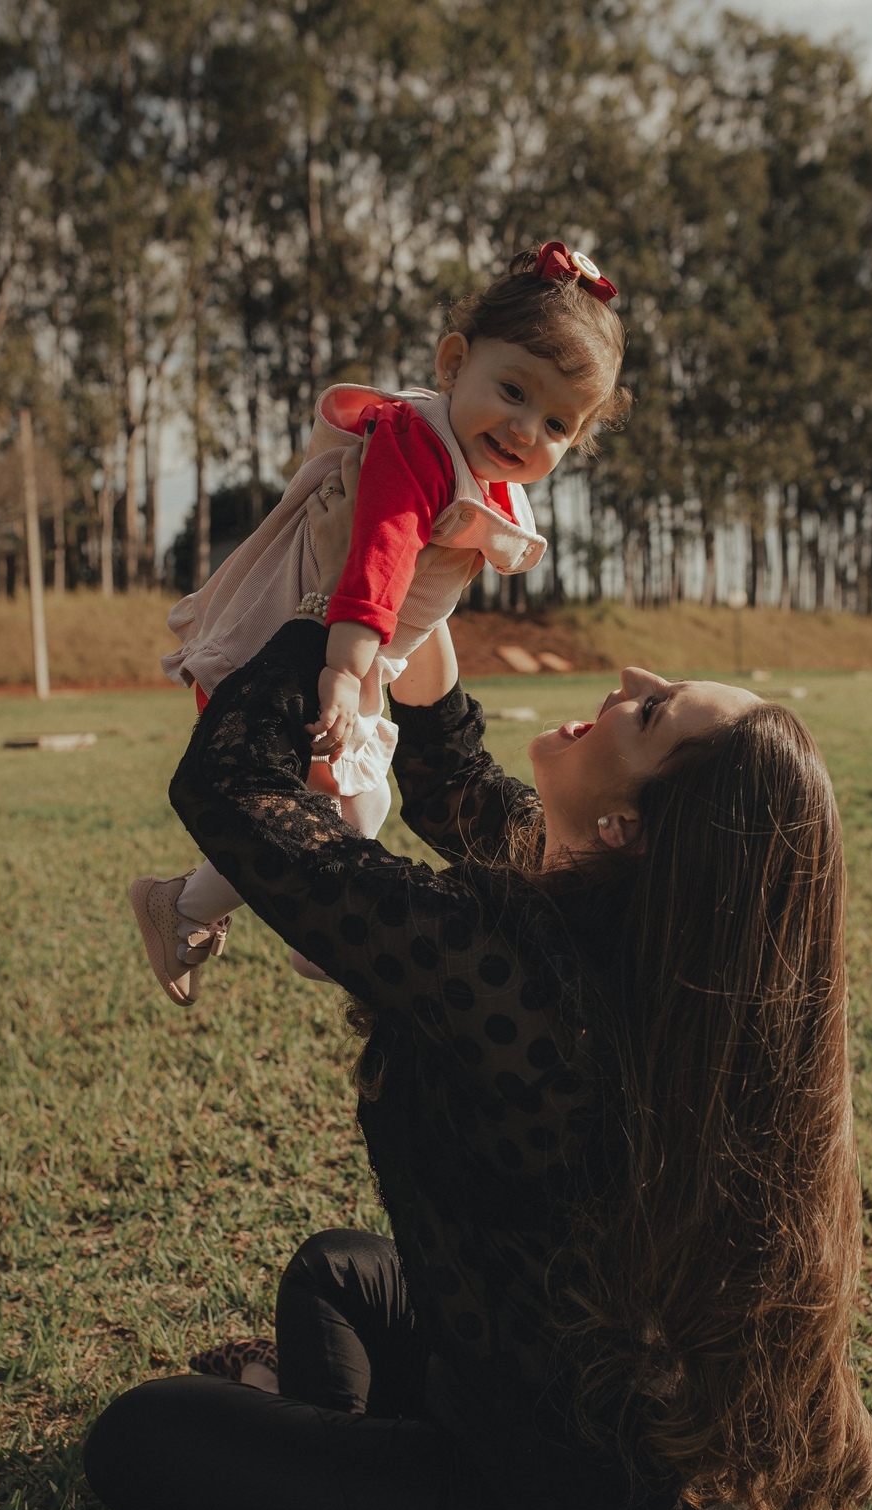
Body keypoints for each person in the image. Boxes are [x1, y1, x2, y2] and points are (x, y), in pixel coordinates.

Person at [85, 464, 872, 1510]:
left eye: (654, 713)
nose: (629, 680)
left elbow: (231, 790)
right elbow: (454, 779)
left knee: (137, 1441)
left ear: (629, 833)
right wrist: (413, 598)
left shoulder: (518, 976)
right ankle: (340, 1499)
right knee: (337, 1275)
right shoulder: (630, 936)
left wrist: (341, 614)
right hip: (602, 1465)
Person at [130, 241, 629, 1004]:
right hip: (301, 639)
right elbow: (380, 556)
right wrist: (339, 668)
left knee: (358, 803)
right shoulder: (417, 443)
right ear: (453, 363)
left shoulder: (474, 469)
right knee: (311, 803)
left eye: (558, 422)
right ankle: (259, 921)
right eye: (513, 390)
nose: (527, 429)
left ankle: (257, 919)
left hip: (352, 650)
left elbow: (418, 604)